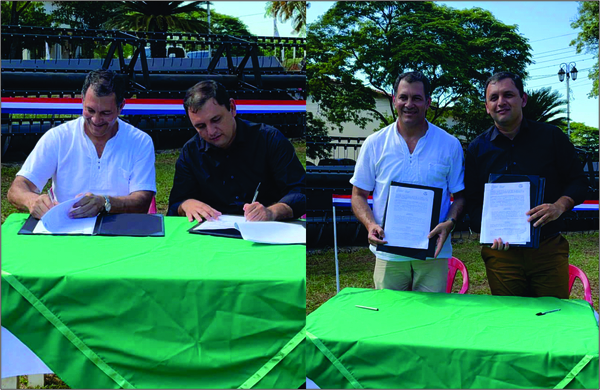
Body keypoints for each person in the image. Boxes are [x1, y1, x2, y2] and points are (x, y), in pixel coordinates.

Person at [465, 71, 588, 298]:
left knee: (552, 316)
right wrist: (489, 230)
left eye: (508, 95)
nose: (501, 102)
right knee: (511, 321)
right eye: (494, 98)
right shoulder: (476, 149)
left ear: (523, 99)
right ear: (487, 106)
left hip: (547, 249)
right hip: (501, 255)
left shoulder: (552, 138)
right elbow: (471, 200)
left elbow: (579, 182)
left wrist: (559, 206)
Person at [350, 71, 465, 292]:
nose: (409, 104)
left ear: (428, 102)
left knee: (431, 321)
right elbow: (358, 195)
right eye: (403, 97)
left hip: (434, 254)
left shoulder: (450, 145)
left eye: (417, 98)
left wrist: (449, 223)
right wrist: (370, 224)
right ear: (394, 100)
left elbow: (460, 197)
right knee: (391, 320)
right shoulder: (374, 143)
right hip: (389, 253)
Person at [7, 69, 156, 219]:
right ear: (82, 101)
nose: (96, 120)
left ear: (121, 107)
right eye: (90, 110)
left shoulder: (140, 142)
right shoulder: (58, 137)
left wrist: (105, 203)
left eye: (105, 113)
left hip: (119, 230)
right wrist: (32, 200)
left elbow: (143, 201)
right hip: (67, 230)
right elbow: (17, 188)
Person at [167, 80, 305, 222]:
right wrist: (186, 204)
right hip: (214, 236)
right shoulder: (191, 152)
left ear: (232, 108)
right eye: (200, 126)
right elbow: (175, 206)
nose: (211, 131)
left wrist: (272, 212)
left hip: (267, 230)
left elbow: (300, 192)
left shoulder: (269, 140)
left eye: (216, 120)